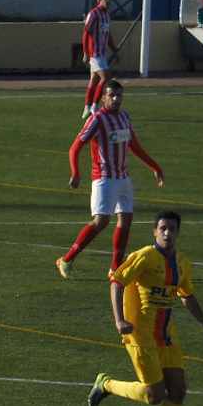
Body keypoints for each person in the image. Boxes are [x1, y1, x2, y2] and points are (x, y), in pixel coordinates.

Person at [88, 210, 203, 406]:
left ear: (178, 233)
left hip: (167, 336)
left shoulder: (182, 262)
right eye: (163, 229)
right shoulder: (144, 257)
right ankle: (106, 384)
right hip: (142, 336)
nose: (168, 233)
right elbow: (117, 282)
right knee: (155, 396)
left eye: (172, 229)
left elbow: (186, 294)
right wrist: (119, 320)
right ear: (155, 232)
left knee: (178, 390)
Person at [57, 80, 165, 280]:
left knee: (126, 219)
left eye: (119, 95)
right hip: (104, 179)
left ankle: (115, 268)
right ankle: (67, 259)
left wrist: (155, 167)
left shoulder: (124, 117)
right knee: (101, 221)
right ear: (103, 98)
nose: (116, 99)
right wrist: (76, 173)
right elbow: (75, 147)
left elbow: (133, 145)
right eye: (112, 95)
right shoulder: (97, 119)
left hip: (123, 178)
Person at [81, 0, 120, 119]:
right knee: (106, 78)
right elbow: (86, 33)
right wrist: (86, 53)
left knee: (94, 81)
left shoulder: (107, 15)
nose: (108, 1)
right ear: (99, 0)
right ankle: (94, 106)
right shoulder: (94, 14)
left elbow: (108, 35)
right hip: (94, 53)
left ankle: (87, 108)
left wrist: (115, 51)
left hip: (102, 53)